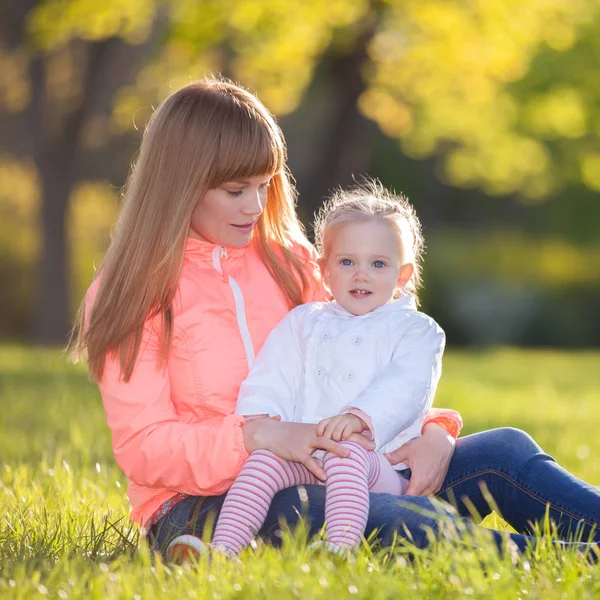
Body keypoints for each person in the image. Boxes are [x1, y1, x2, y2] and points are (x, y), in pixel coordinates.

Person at [72, 78, 600, 563]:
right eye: (236, 190)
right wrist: (259, 437)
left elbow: (364, 356)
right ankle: (566, 561)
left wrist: (435, 431)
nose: (255, 206)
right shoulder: (133, 294)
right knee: (373, 516)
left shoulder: (289, 261)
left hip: (347, 465)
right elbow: (144, 449)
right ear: (180, 184)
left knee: (503, 450)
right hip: (205, 505)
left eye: (264, 185)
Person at [207, 183, 445, 557]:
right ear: (325, 270)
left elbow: (408, 386)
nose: (361, 275)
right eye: (347, 262)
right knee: (263, 463)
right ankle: (221, 550)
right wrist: (265, 422)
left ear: (403, 274)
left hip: (378, 465)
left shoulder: (416, 330)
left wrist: (359, 418)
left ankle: (340, 549)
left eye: (378, 264)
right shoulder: (304, 321)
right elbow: (273, 375)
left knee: (347, 454)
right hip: (308, 456)